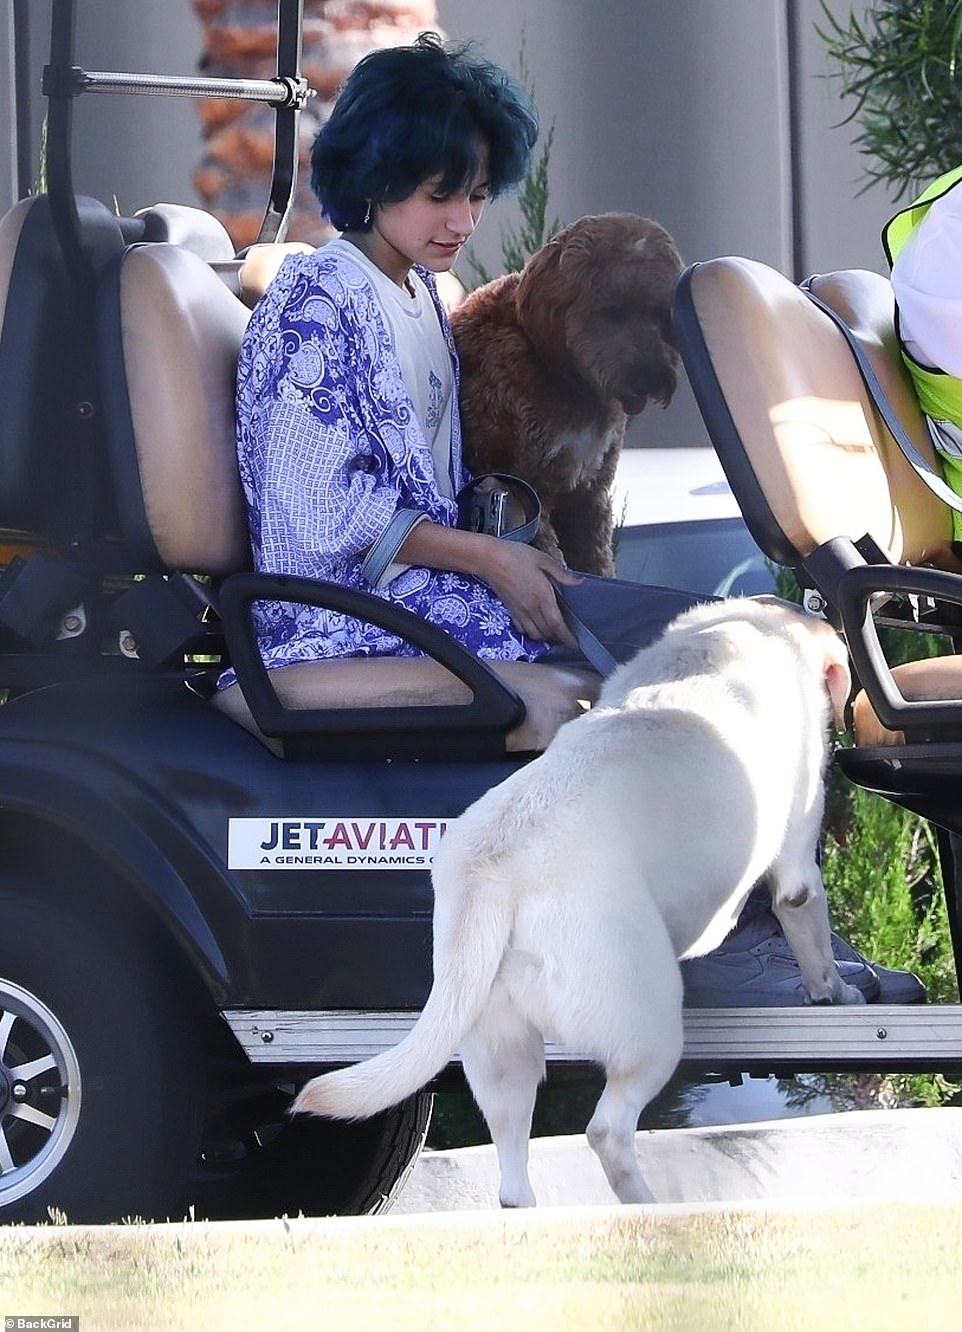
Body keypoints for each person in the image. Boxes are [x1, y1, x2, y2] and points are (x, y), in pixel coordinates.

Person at [227, 31, 919, 1004]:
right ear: (370, 177)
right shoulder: (314, 300)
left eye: (474, 193)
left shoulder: (421, 298)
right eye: (437, 192)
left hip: (452, 593)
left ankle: (771, 934)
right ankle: (722, 945)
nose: (462, 218)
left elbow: (463, 457)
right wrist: (491, 561)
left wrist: (511, 534)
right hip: (346, 614)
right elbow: (314, 513)